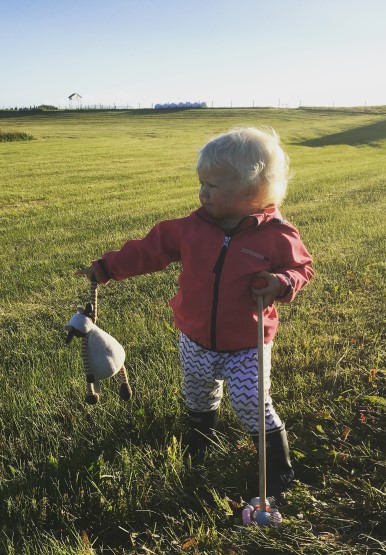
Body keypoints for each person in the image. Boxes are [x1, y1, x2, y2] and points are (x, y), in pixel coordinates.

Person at [76, 127, 314, 500]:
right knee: (198, 394)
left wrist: (281, 282)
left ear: (253, 191)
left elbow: (302, 269)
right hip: (195, 338)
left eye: (213, 185)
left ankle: (278, 471)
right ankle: (201, 439)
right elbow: (149, 250)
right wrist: (107, 268)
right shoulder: (191, 228)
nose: (203, 192)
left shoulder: (278, 234)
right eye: (201, 183)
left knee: (252, 403)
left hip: (246, 344)